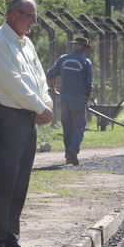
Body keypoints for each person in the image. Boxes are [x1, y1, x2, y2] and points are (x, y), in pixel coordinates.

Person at [0, 0, 53, 247]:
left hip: (26, 117)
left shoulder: (26, 42)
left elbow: (38, 77)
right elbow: (14, 83)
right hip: (7, 116)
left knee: (20, 182)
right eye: (30, 16)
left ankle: (11, 239)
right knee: (5, 183)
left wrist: (45, 103)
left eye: (35, 16)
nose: (34, 21)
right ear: (12, 14)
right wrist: (39, 107)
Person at [46, 37, 94, 166]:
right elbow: (89, 86)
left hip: (64, 99)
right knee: (79, 127)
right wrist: (86, 101)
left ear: (74, 47)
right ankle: (73, 149)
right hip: (78, 100)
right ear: (84, 48)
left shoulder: (63, 59)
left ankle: (68, 155)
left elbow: (49, 76)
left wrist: (53, 89)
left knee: (67, 128)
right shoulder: (86, 62)